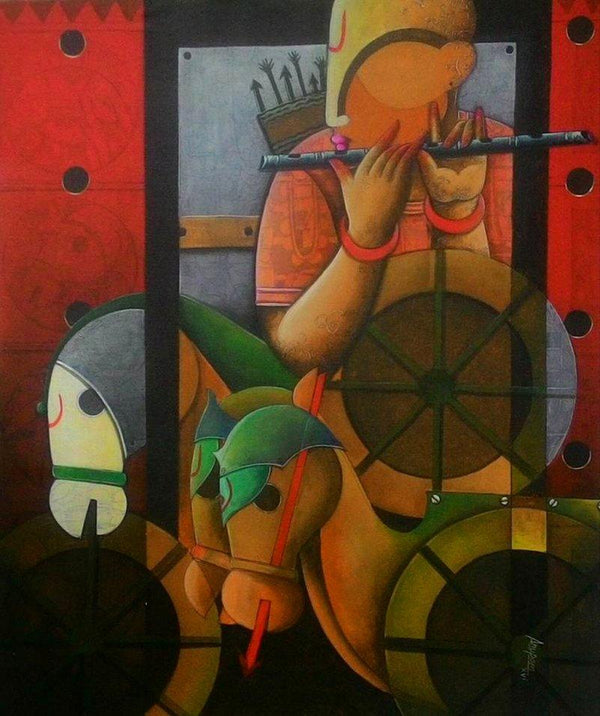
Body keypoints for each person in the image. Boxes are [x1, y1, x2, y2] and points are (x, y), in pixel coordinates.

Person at [256, 0, 513, 374]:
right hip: (347, 398)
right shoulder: (309, 169)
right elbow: (299, 351)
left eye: (402, 75)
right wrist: (365, 237)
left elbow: (498, 333)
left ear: (453, 70)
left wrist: (459, 211)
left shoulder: (500, 154)